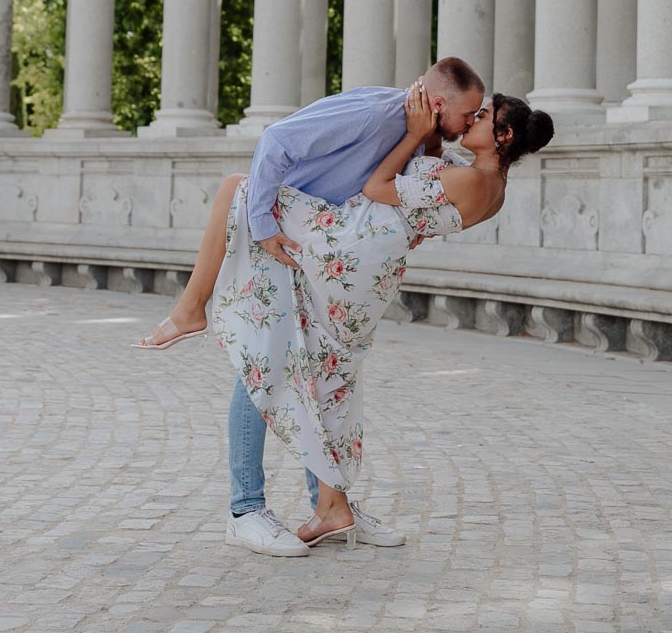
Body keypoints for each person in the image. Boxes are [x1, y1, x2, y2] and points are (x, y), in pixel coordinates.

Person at [136, 59, 554, 557]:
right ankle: (332, 506)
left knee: (236, 194)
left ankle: (190, 314)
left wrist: (416, 137)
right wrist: (425, 142)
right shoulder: (490, 187)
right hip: (373, 270)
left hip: (344, 250)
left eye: (481, 117)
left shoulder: (459, 173)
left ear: (502, 136)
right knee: (328, 377)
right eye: (471, 112)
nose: (472, 120)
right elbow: (420, 221)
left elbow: (381, 188)